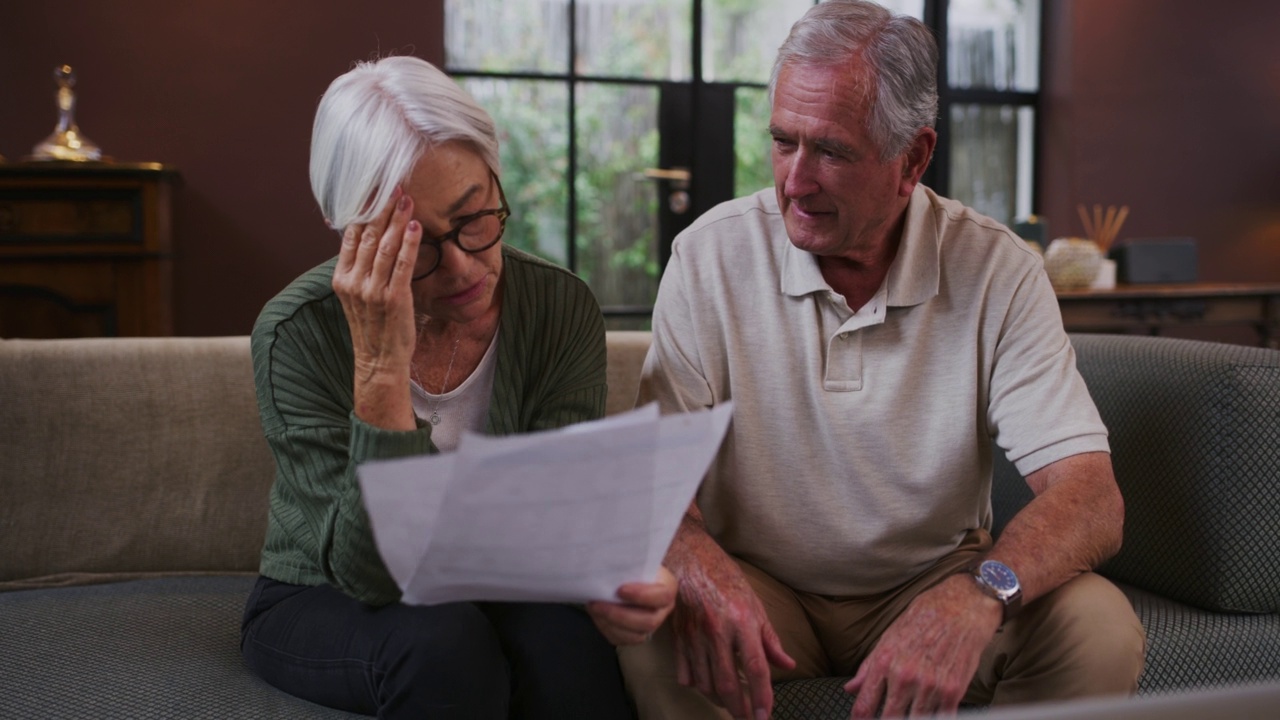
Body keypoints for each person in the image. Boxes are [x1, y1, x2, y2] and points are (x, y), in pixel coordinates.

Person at [618, 2, 1146, 719]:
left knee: (1097, 628)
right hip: (765, 589)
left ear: (914, 159)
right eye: (783, 142)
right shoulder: (708, 257)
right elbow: (653, 481)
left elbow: (1091, 498)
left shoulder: (997, 270)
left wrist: (980, 592)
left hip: (931, 580)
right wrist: (697, 561)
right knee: (653, 607)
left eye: (830, 152)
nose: (794, 182)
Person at [240, 55, 675, 720]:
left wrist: (616, 570)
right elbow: (369, 574)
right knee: (442, 644)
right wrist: (382, 367)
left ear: (496, 179)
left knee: (569, 647)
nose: (467, 266)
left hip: (498, 579)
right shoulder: (294, 332)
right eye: (419, 247)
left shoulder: (558, 307)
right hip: (322, 595)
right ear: (355, 238)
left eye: (476, 218)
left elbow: (555, 513)